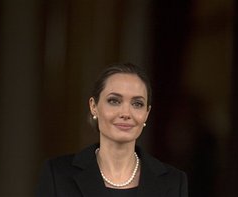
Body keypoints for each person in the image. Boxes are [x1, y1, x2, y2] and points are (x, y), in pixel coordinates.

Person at [36, 62, 188, 197]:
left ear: (147, 113)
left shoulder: (174, 181)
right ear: (94, 107)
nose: (126, 114)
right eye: (114, 101)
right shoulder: (57, 174)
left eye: (137, 104)